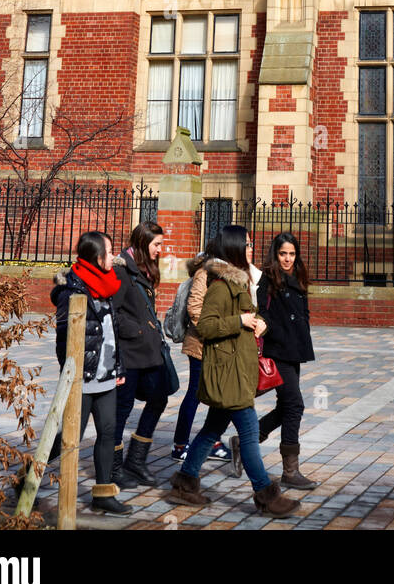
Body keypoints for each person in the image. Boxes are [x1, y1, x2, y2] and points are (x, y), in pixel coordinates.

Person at [169, 224, 300, 517]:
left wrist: (257, 322)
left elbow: (243, 317)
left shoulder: (239, 282)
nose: (252, 248)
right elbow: (205, 325)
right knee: (250, 433)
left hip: (237, 369)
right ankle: (266, 496)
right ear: (234, 248)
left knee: (212, 429)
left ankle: (184, 483)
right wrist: (239, 322)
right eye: (247, 243)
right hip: (228, 373)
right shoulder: (220, 285)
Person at [51, 230, 132, 516]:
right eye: (109, 252)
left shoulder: (107, 284)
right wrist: (73, 375)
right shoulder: (72, 290)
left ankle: (103, 493)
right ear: (96, 256)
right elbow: (65, 340)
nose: (114, 256)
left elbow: (111, 331)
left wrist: (118, 367)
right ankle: (27, 482)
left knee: (108, 433)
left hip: (106, 376)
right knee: (66, 438)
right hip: (82, 379)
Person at [111, 220, 177, 487]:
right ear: (142, 243)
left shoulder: (144, 269)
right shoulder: (121, 272)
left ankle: (136, 462)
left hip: (149, 352)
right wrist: (137, 330)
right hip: (129, 354)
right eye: (156, 244)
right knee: (121, 410)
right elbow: (111, 313)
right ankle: (114, 469)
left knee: (159, 397)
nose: (160, 250)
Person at [256, 232, 318, 489]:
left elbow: (302, 313)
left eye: (292, 254)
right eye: (283, 254)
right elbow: (263, 313)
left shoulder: (298, 276)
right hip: (277, 350)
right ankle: (290, 472)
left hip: (295, 350)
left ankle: (246, 439)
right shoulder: (267, 280)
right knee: (295, 406)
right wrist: (269, 329)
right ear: (276, 254)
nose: (288, 259)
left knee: (286, 406)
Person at [172, 239, 235, 472]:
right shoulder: (204, 272)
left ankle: (213, 440)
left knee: (216, 394)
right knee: (195, 394)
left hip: (216, 345)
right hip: (201, 344)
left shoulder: (225, 272)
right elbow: (195, 307)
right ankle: (180, 444)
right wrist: (212, 331)